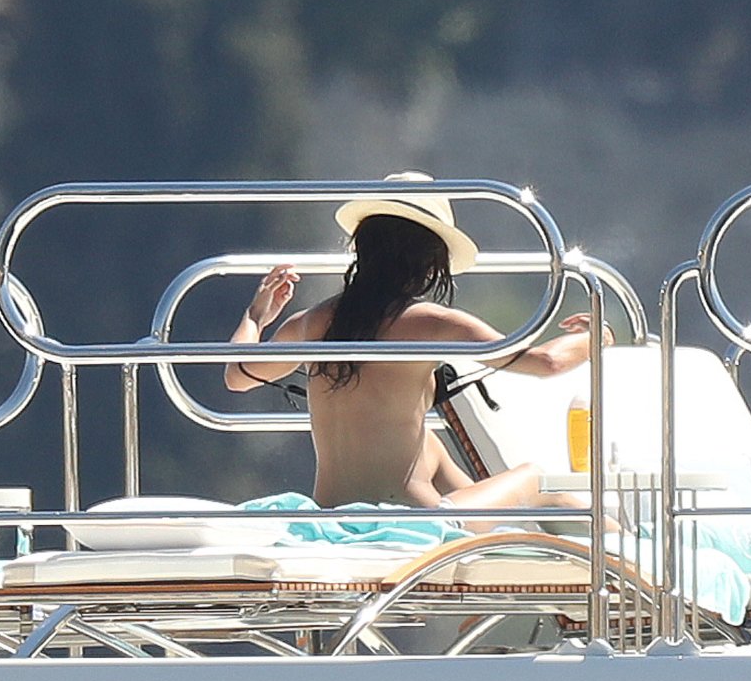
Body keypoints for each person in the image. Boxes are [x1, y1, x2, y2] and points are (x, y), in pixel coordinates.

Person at [226, 172, 606, 516]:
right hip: (413, 519)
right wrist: (596, 337)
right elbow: (545, 363)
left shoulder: (310, 323)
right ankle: (614, 539)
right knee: (533, 477)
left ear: (362, 248)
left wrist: (256, 316)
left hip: (333, 513)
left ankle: (500, 530)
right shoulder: (432, 323)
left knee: (431, 448)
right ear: (431, 261)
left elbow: (237, 376)